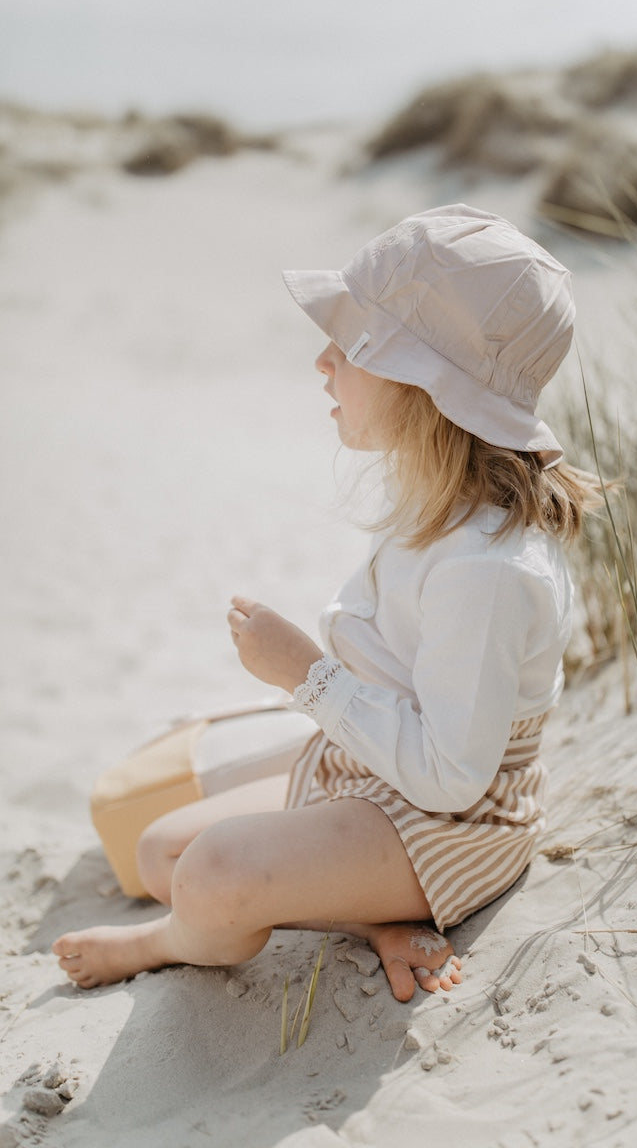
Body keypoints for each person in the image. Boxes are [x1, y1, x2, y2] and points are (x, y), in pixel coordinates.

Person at [53, 205, 601, 1003]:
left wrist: (305, 675)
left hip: (451, 823)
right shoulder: (440, 506)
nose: (322, 360)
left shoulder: (488, 569)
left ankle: (163, 941)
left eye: (351, 347)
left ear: (425, 387)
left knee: (209, 875)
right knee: (159, 851)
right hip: (377, 768)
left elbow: (450, 776)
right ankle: (371, 916)